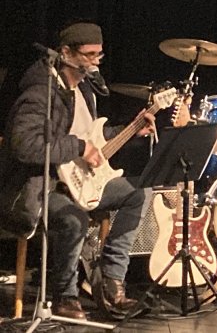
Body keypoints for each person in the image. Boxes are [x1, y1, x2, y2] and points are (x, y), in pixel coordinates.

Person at [0, 22, 155, 320]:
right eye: (89, 55)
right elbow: (25, 146)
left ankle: (111, 279)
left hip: (79, 179)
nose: (95, 62)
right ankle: (65, 296)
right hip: (41, 185)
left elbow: (92, 136)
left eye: (99, 55)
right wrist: (79, 147)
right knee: (74, 218)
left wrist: (130, 130)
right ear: (66, 53)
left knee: (138, 192)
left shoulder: (85, 90)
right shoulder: (40, 92)